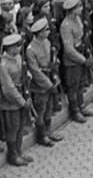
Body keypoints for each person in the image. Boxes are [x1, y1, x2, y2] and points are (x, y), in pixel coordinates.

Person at [25, 16, 63, 146]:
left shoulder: (47, 42)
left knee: (49, 109)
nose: (48, 31)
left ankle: (49, 131)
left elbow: (52, 60)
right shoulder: (31, 49)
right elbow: (35, 71)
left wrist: (55, 69)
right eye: (46, 30)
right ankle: (42, 136)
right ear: (40, 32)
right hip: (40, 86)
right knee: (41, 110)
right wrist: (48, 85)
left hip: (51, 79)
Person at [1, 31, 31, 166]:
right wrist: (22, 101)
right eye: (17, 46)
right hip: (10, 101)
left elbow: (23, 75)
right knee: (13, 128)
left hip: (21, 95)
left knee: (20, 126)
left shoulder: (18, 58)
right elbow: (8, 88)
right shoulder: (3, 65)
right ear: (10, 48)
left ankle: (19, 151)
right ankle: (13, 155)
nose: (20, 48)